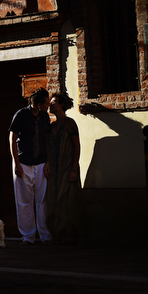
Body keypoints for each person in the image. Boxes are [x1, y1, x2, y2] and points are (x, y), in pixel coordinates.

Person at [8, 86, 52, 244]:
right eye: (46, 103)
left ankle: (45, 234)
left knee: (43, 200)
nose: (49, 106)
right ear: (39, 104)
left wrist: (48, 162)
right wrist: (16, 163)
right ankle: (28, 235)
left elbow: (47, 140)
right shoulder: (21, 115)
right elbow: (12, 138)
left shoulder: (45, 117)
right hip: (24, 162)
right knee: (24, 201)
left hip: (41, 162)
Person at [45, 91, 86, 244]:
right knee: (55, 198)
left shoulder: (70, 123)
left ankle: (71, 234)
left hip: (68, 166)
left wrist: (74, 169)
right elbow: (48, 147)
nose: (51, 104)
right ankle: (58, 233)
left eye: (54, 101)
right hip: (55, 168)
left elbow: (76, 146)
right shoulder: (52, 126)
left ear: (61, 104)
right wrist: (48, 163)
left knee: (68, 199)